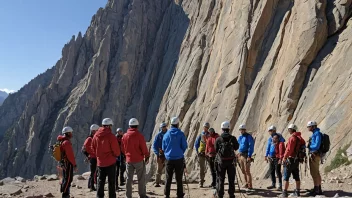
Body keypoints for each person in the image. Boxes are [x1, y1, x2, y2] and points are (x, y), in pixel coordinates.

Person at [92, 118, 121, 198]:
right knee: (111, 182)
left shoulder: (96, 136)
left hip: (100, 163)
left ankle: (99, 196)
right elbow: (116, 151)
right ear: (109, 126)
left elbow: (93, 147)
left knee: (100, 181)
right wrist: (115, 155)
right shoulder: (111, 136)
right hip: (110, 162)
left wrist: (99, 155)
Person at [122, 118, 150, 198]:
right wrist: (146, 156)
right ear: (137, 126)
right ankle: (142, 194)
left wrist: (126, 155)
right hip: (138, 160)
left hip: (129, 160)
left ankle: (128, 195)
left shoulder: (125, 136)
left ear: (129, 126)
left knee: (128, 178)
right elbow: (143, 147)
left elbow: (123, 148)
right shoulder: (139, 136)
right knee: (141, 178)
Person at [162, 117, 188, 198]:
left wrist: (168, 153)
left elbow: (163, 147)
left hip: (169, 159)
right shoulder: (180, 134)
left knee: (168, 178)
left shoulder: (166, 134)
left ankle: (167, 194)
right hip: (179, 159)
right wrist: (179, 152)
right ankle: (179, 194)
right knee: (179, 178)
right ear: (177, 124)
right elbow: (184, 146)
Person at [279, 124, 305, 198]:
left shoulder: (292, 138)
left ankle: (284, 193)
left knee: (286, 176)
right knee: (296, 176)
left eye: (289, 129)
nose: (288, 130)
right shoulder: (300, 138)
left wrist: (284, 157)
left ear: (291, 130)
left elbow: (289, 149)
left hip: (290, 159)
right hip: (296, 160)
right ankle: (297, 191)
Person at [214, 121, 239, 198]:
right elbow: (236, 147)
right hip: (231, 161)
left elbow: (216, 149)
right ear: (229, 128)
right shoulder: (233, 138)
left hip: (221, 161)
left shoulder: (218, 139)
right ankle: (231, 194)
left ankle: (220, 194)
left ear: (222, 128)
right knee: (231, 179)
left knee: (221, 178)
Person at [57, 126, 78, 198]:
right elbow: (70, 155)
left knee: (66, 178)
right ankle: (65, 194)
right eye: (71, 133)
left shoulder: (62, 141)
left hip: (63, 162)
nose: (72, 134)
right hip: (67, 163)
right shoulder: (66, 142)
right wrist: (74, 165)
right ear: (68, 133)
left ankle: (64, 191)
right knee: (69, 178)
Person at [264, 125, 285, 190]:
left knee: (278, 171)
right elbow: (268, 147)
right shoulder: (270, 138)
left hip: (277, 157)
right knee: (271, 171)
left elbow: (282, 142)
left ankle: (280, 185)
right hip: (271, 157)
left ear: (274, 130)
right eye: (269, 131)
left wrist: (281, 158)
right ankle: (273, 184)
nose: (269, 132)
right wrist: (266, 155)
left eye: (270, 131)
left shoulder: (279, 137)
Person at [307, 121, 323, 196]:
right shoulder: (316, 133)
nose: (308, 128)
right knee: (316, 172)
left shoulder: (317, 134)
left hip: (315, 154)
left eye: (309, 126)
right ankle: (318, 188)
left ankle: (316, 189)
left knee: (314, 173)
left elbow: (316, 145)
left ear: (313, 127)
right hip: (316, 154)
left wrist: (309, 146)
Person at [237, 124, 255, 191]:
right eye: (241, 130)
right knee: (243, 170)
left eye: (242, 130)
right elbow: (239, 145)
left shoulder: (248, 137)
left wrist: (249, 156)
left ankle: (250, 185)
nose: (241, 131)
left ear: (245, 130)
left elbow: (251, 146)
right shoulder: (240, 137)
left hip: (246, 155)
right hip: (241, 155)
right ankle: (246, 183)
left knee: (247, 170)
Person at [82, 124, 99, 191]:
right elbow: (84, 149)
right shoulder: (89, 139)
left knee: (94, 172)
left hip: (95, 157)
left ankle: (90, 185)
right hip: (93, 158)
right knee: (93, 172)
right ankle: (92, 186)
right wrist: (88, 155)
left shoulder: (94, 138)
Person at [194, 122, 210, 187]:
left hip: (208, 153)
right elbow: (196, 144)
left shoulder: (209, 135)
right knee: (201, 168)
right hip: (202, 152)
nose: (205, 128)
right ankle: (201, 181)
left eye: (207, 127)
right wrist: (198, 151)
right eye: (205, 127)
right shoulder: (201, 135)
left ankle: (213, 182)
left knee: (211, 167)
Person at [152, 122, 168, 187]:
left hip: (167, 154)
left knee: (168, 168)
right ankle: (157, 182)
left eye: (164, 127)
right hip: (160, 154)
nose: (163, 128)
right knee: (159, 169)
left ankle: (167, 182)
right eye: (162, 127)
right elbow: (154, 145)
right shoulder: (158, 135)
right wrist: (157, 153)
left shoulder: (168, 134)